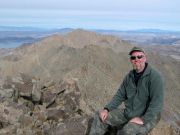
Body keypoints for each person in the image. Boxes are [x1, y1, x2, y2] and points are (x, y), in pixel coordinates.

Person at [89, 46, 164, 135]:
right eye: (133, 57)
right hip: (129, 113)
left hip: (147, 116)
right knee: (100, 116)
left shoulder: (155, 77)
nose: (136, 59)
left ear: (145, 58)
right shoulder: (129, 76)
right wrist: (107, 109)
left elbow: (157, 103)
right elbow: (120, 95)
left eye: (139, 56)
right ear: (131, 60)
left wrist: (143, 119)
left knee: (127, 130)